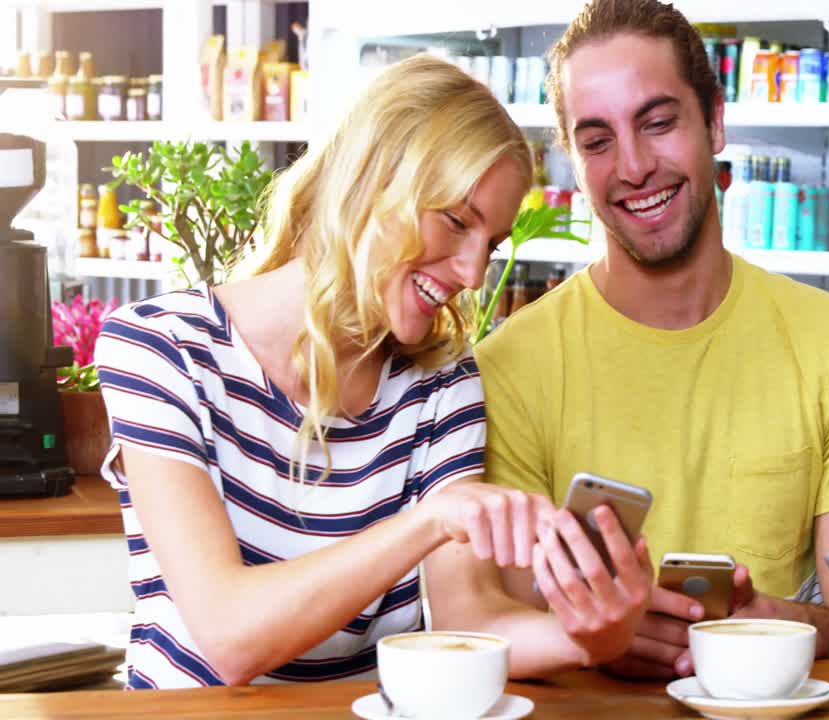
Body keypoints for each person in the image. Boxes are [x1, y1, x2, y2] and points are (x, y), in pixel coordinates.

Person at [94, 55, 649, 688]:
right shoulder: (162, 348)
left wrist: (589, 635)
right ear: (370, 182)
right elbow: (229, 636)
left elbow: (468, 621)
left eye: (489, 243)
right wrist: (429, 521)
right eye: (456, 220)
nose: (472, 273)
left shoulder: (442, 386)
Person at [443, 0, 829, 681]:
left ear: (715, 120)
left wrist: (773, 622)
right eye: (597, 140)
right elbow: (518, 632)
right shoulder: (508, 367)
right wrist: (606, 632)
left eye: (659, 122)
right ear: (574, 166)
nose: (635, 166)